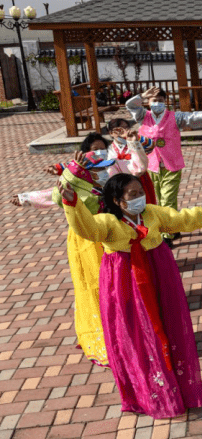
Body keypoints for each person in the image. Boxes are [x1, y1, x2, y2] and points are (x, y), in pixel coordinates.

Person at [58, 174, 202, 418]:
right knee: (135, 331)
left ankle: (179, 387)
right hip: (124, 280)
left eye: (140, 192)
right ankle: (149, 392)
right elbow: (88, 228)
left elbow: (182, 219)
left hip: (160, 273)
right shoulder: (107, 222)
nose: (140, 197)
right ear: (117, 201)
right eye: (133, 194)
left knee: (168, 323)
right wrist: (72, 204)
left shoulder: (152, 213)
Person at [12, 151, 117, 367]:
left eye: (104, 168)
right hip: (86, 245)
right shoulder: (74, 188)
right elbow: (54, 196)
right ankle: (104, 339)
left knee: (114, 285)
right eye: (97, 170)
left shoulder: (103, 186)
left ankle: (121, 333)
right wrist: (25, 198)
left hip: (108, 238)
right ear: (84, 173)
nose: (103, 173)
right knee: (96, 287)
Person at [126, 87, 202, 246]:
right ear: (148, 102)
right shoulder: (143, 116)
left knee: (168, 199)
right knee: (156, 200)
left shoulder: (174, 117)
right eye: (154, 101)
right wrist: (142, 95)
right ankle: (170, 227)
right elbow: (130, 105)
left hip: (171, 165)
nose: (157, 103)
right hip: (150, 165)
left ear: (165, 102)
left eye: (161, 101)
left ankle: (168, 235)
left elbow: (194, 118)